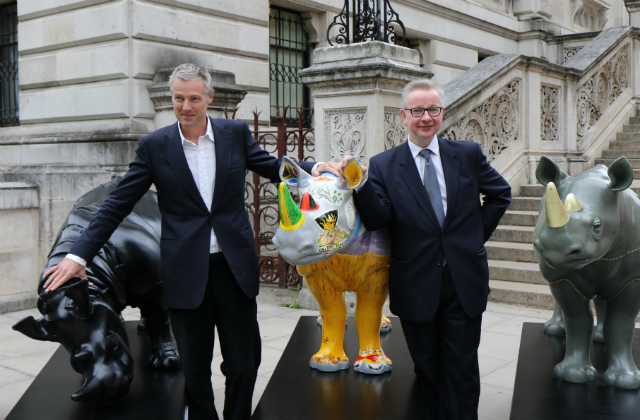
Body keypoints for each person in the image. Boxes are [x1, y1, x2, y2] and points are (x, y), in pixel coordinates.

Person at [42, 63, 341, 420]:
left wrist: (316, 166)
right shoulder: (155, 146)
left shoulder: (235, 133)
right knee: (196, 373)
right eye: (178, 98)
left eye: (194, 98)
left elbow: (273, 167)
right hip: (185, 275)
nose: (185, 106)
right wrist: (79, 256)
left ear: (209, 98)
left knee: (244, 366)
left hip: (233, 272)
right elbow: (116, 204)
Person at [347, 79, 511, 420]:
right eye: (418, 110)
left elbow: (500, 194)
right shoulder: (383, 165)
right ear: (404, 116)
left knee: (462, 370)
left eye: (432, 110)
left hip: (463, 281)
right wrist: (359, 184)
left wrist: (473, 238)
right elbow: (378, 220)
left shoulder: (467, 155)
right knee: (428, 370)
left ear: (442, 113)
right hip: (415, 283)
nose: (426, 117)